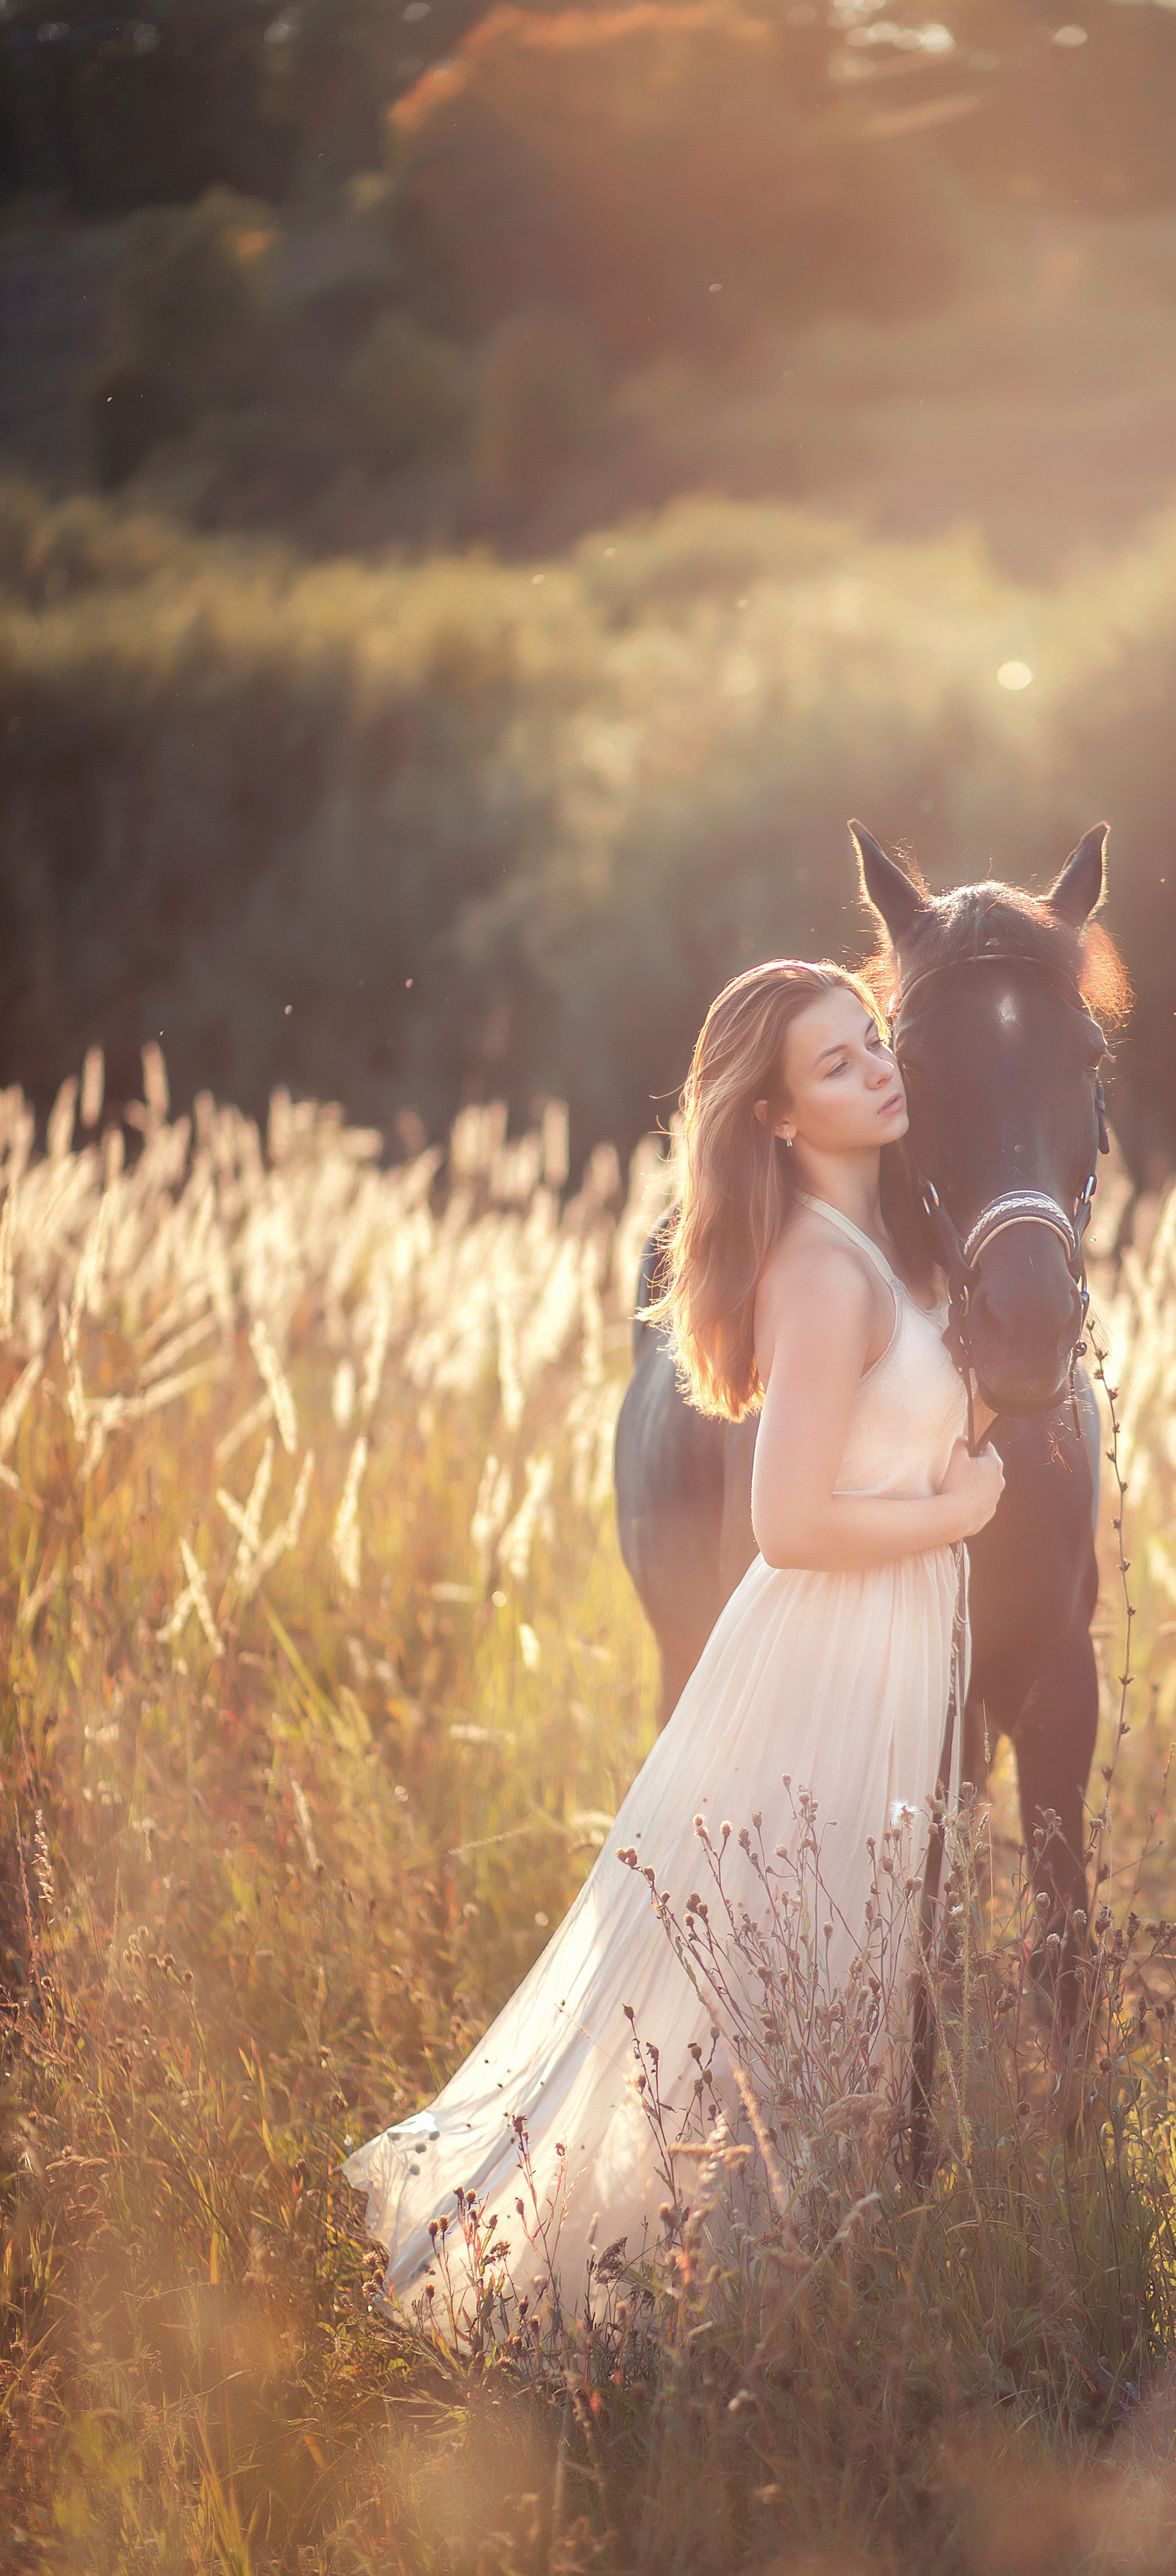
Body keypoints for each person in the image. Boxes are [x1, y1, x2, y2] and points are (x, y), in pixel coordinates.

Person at [342, 959, 1006, 2334]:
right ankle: (706, 2314)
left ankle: (787, 2290)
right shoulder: (823, 1270)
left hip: (867, 1649)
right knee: (766, 1985)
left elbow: (872, 1440)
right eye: (836, 1062)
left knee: (820, 1981)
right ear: (769, 1112)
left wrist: (962, 1437)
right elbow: (787, 1521)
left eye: (872, 1040)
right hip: (823, 1656)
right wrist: (960, 1506)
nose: (879, 1067)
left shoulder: (871, 1249)